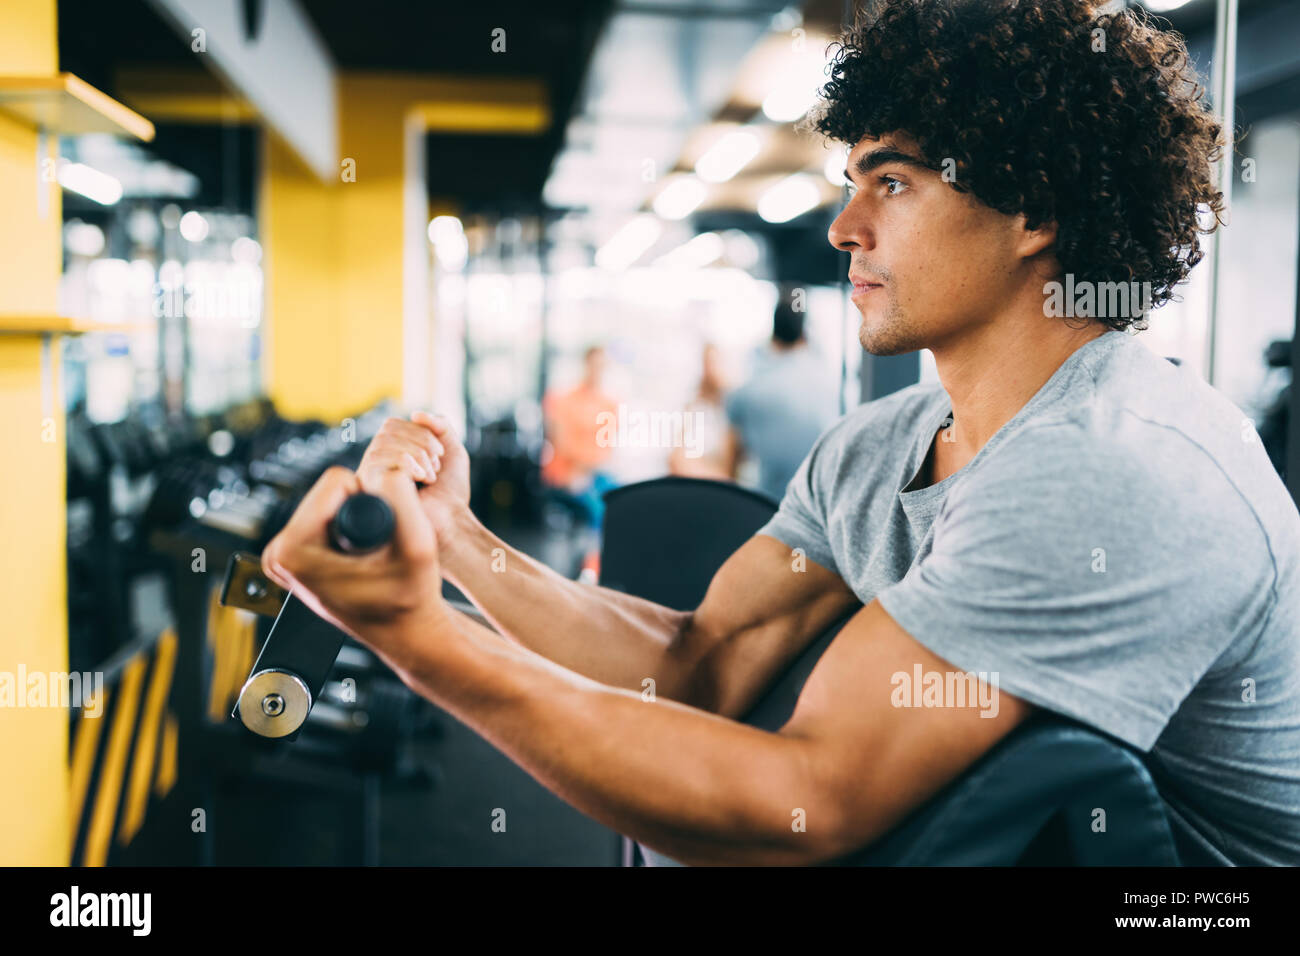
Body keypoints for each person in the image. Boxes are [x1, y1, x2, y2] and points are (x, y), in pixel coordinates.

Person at [259, 0, 1300, 865]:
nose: (845, 226)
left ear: (1032, 212)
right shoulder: (876, 448)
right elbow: (695, 663)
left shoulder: (1114, 467)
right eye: (850, 183)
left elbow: (802, 801)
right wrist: (453, 543)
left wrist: (419, 638)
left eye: (891, 181)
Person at [725, 290, 841, 501]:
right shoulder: (833, 384)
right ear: (805, 334)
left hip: (769, 508)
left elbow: (730, 469)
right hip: (823, 508)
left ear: (772, 333)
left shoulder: (747, 392)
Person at [539, 344, 619, 530]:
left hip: (596, 472)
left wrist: (591, 468)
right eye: (594, 365)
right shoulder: (563, 400)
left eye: (602, 366)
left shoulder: (610, 404)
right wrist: (583, 468)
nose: (597, 371)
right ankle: (594, 557)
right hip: (566, 473)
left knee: (623, 501)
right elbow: (561, 443)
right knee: (597, 509)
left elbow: (607, 447)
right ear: (585, 364)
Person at [668, 343, 738, 481]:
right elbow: (675, 457)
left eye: (715, 362)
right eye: (706, 363)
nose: (710, 369)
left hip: (714, 484)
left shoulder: (732, 407)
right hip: (692, 479)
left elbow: (728, 467)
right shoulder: (692, 404)